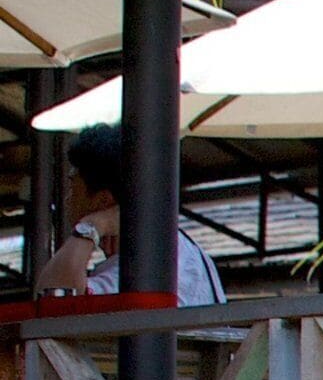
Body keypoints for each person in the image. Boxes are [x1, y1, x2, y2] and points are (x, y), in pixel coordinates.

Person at [41, 122, 224, 307]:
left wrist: (90, 226)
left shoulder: (146, 268)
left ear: (104, 201)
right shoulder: (168, 247)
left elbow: (53, 302)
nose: (66, 200)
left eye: (73, 189)